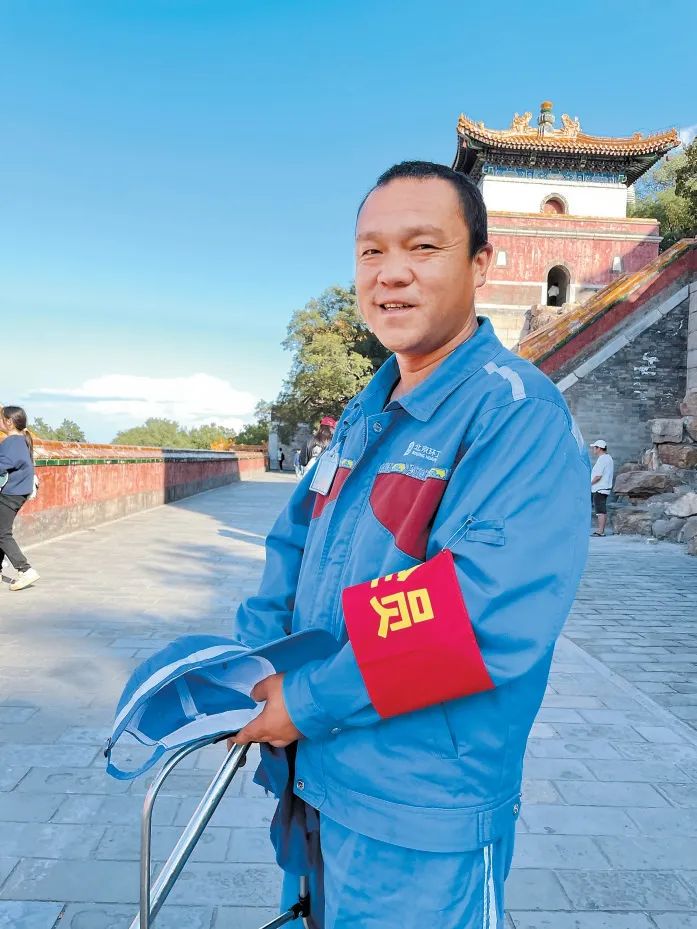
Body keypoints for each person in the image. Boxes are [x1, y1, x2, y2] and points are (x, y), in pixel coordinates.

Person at [231, 162, 590, 928]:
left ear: (480, 264)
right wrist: (252, 669)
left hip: (423, 812)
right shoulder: (366, 413)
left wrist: (305, 699)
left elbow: (477, 612)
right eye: (370, 251)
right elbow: (291, 544)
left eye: (422, 246)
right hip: (318, 779)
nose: (389, 273)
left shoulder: (513, 414)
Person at [0, 406, 40, 591]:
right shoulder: (19, 440)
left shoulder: (13, 441)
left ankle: (25, 570)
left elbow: (4, 464)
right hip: (17, 491)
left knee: (2, 533)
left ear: (9, 422)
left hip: (11, 492)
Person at [590, 439, 614, 537]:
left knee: (600, 511)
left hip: (600, 489)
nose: (593, 450)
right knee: (600, 510)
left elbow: (598, 476)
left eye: (594, 448)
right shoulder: (608, 458)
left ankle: (600, 531)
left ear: (599, 448)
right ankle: (600, 531)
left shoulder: (603, 459)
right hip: (602, 488)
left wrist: (589, 484)